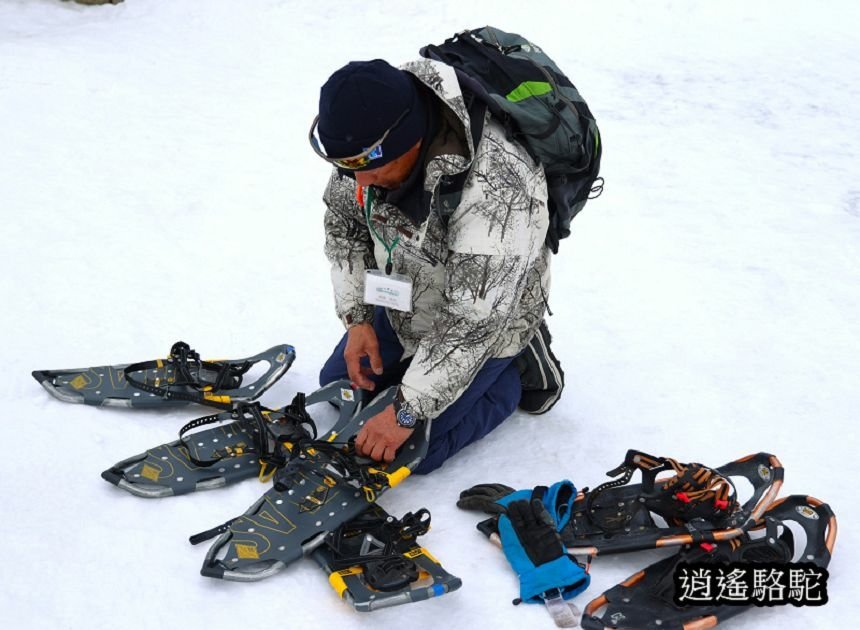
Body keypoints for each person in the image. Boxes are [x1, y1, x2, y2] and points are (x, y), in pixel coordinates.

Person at [310, 57, 564, 474]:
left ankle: (517, 371)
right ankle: (424, 371)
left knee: (418, 450)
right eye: (346, 168)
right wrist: (358, 319)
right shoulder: (363, 150)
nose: (358, 184)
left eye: (365, 168)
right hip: (409, 298)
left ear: (405, 140)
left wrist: (407, 412)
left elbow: (473, 318)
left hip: (489, 319)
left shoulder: (498, 186)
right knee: (338, 384)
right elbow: (344, 228)